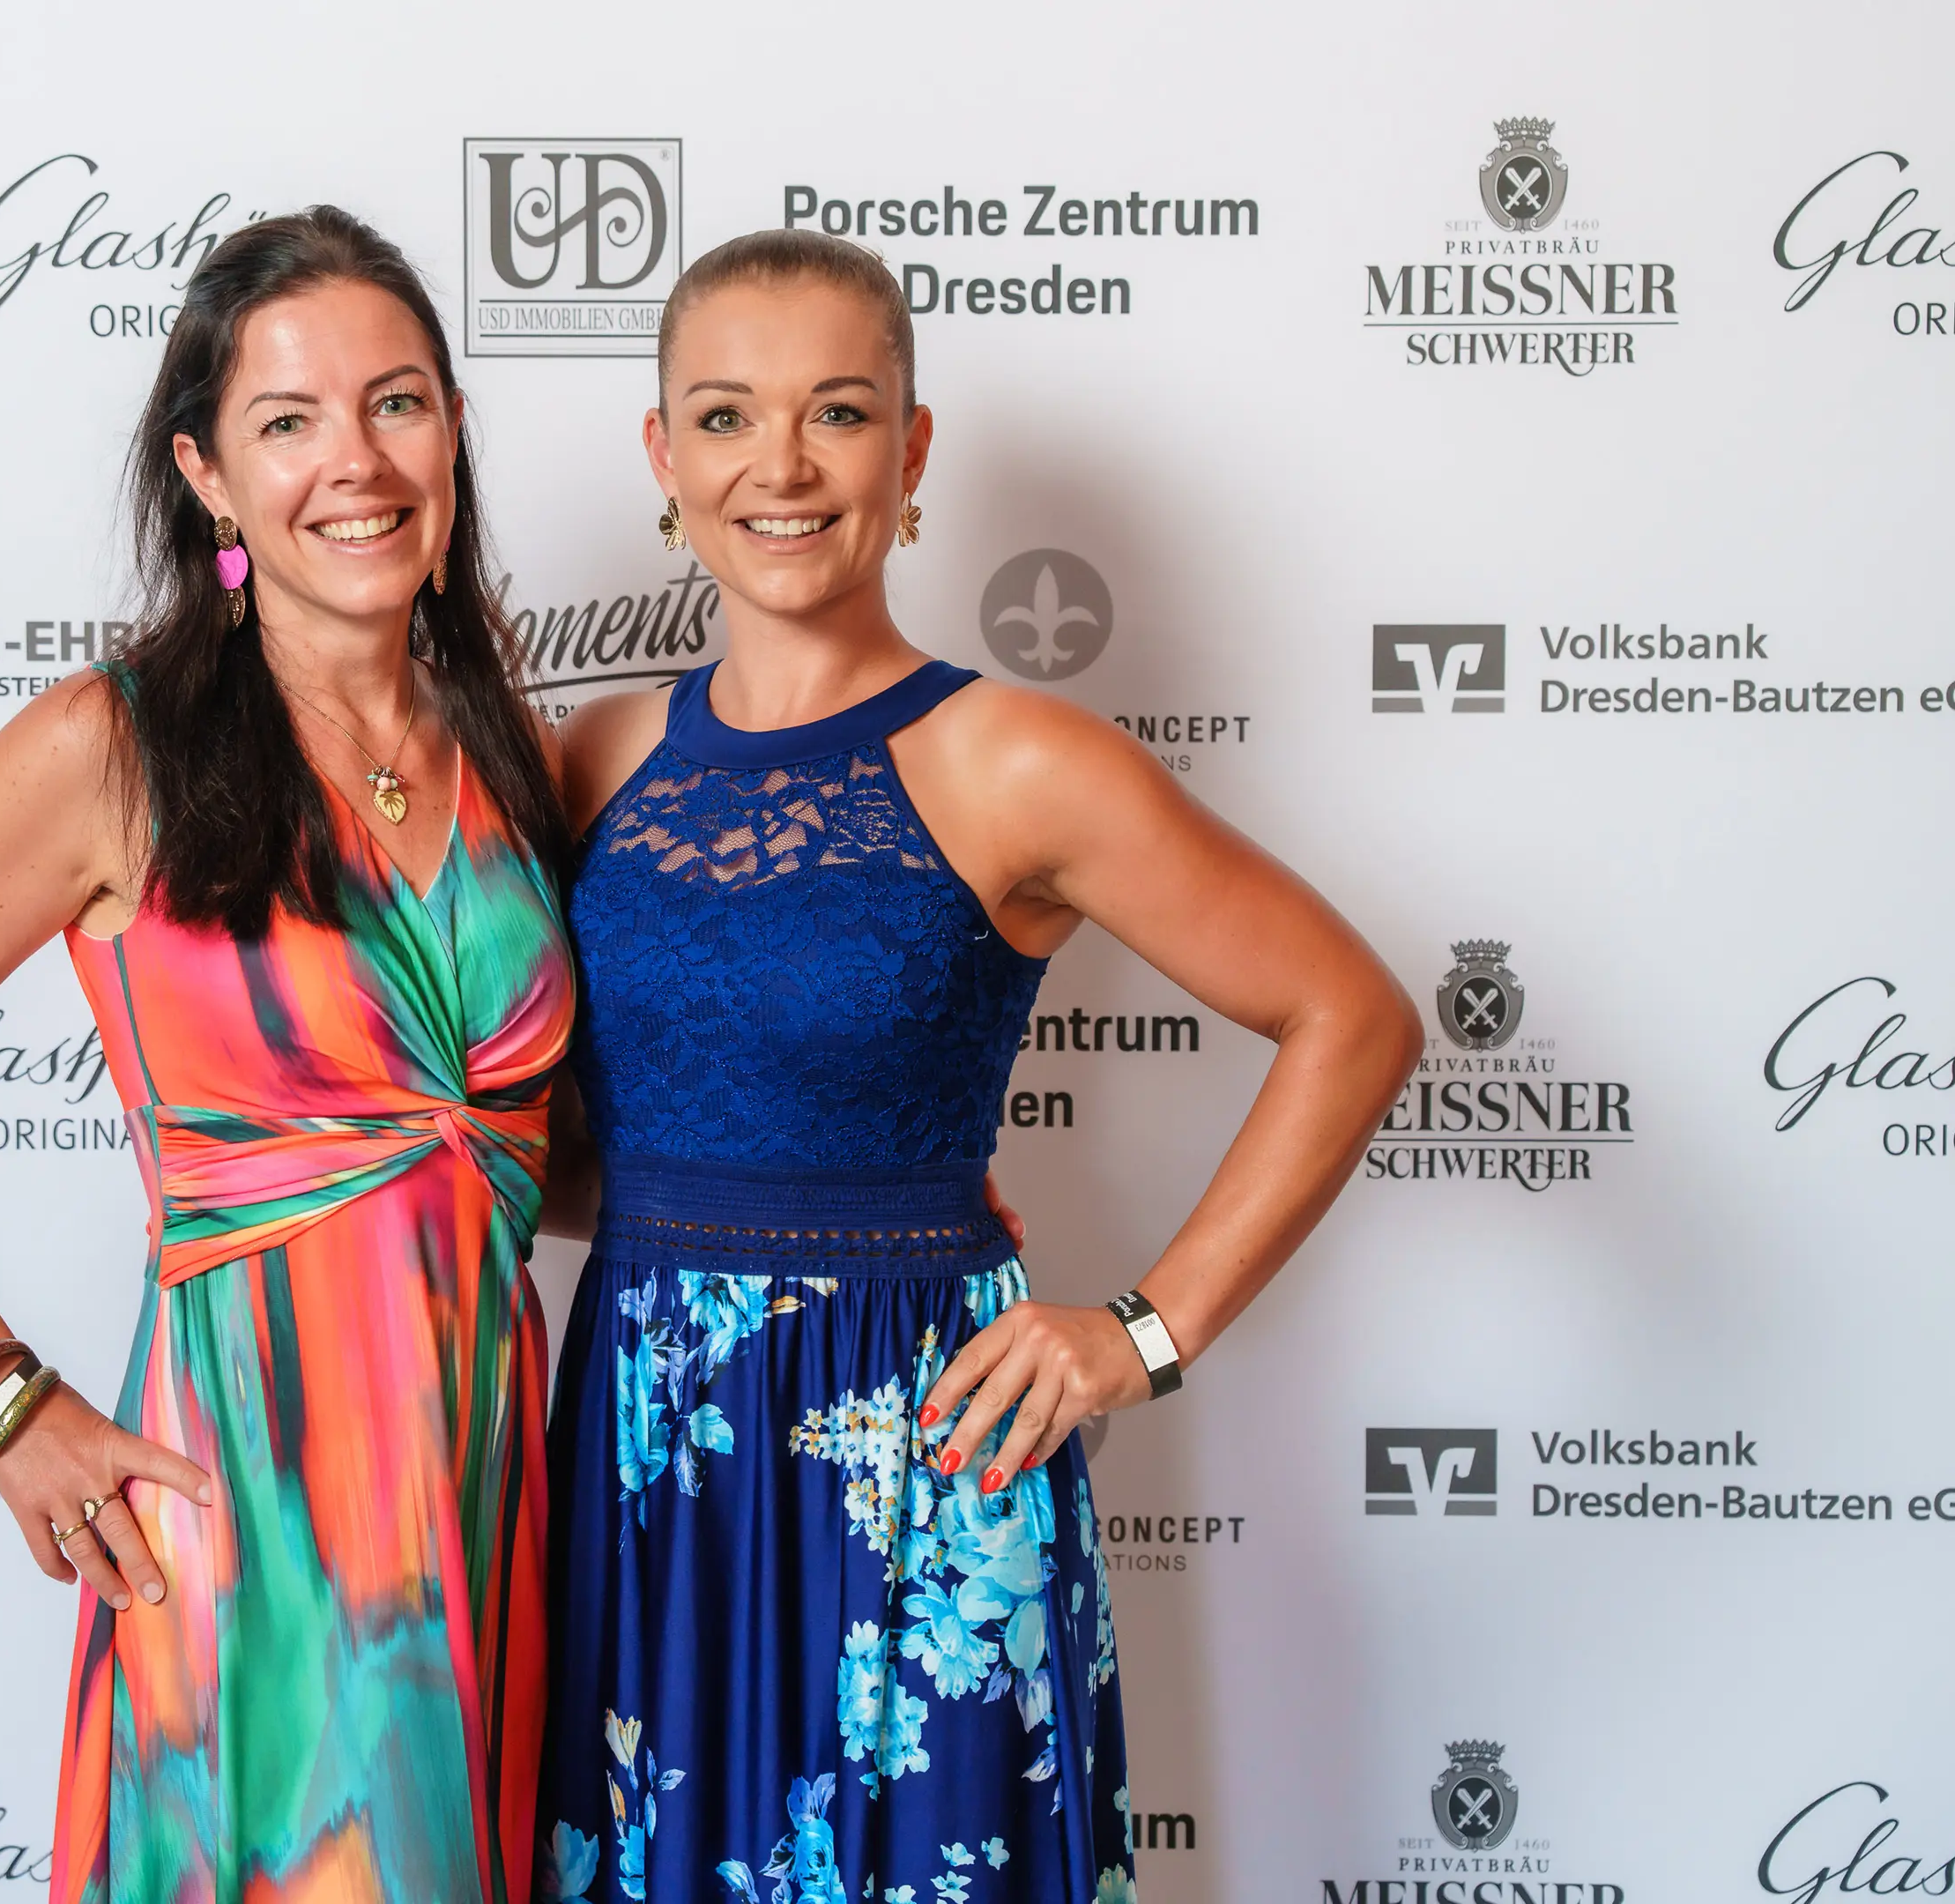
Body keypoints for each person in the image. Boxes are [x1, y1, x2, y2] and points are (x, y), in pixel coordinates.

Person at [533, 229, 1424, 1904]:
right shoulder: (594, 756)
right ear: (663, 455)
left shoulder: (1018, 759)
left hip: (919, 1455)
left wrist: (1143, 1333)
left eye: (839, 412)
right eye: (724, 416)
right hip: (649, 1458)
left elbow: (1351, 1016)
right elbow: (597, 1152)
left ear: (912, 449)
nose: (781, 466)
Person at [0, 207, 573, 1904]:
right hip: (252, 1502)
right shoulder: (110, 749)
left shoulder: (517, 755)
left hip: (489, 1486)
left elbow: (520, 1157)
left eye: (398, 402)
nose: (355, 462)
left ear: (452, 430)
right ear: (208, 475)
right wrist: (5, 1406)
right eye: (288, 421)